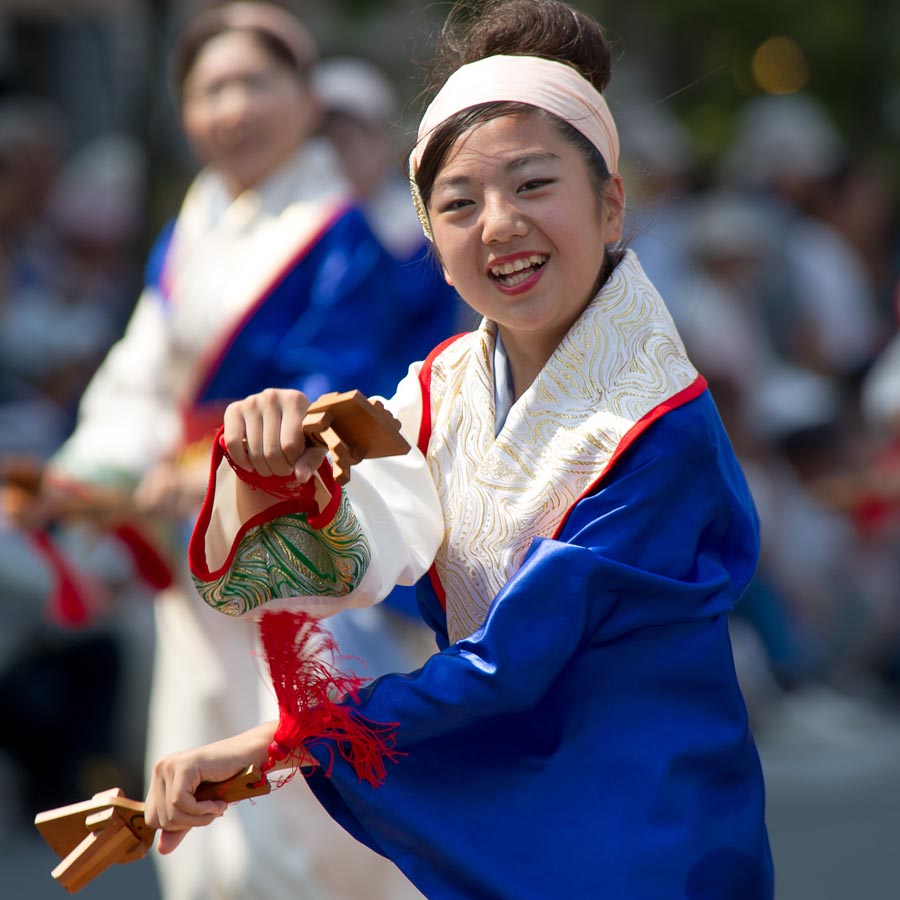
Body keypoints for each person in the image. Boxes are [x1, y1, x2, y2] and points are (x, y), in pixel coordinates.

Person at [145, 2, 774, 897]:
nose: (499, 224)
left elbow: (515, 658)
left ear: (611, 202)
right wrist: (276, 472)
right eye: (458, 204)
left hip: (646, 823)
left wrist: (289, 739)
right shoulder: (440, 387)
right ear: (433, 247)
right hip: (515, 794)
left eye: (532, 185)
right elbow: (357, 553)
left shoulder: (656, 423)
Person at [12, 3, 428, 899]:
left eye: (255, 83)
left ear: (305, 97)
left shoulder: (341, 235)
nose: (233, 108)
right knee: (202, 779)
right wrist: (93, 473)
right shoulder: (194, 224)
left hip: (291, 537)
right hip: (192, 534)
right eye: (209, 90)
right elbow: (139, 377)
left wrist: (203, 468)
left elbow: (333, 393)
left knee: (305, 799)